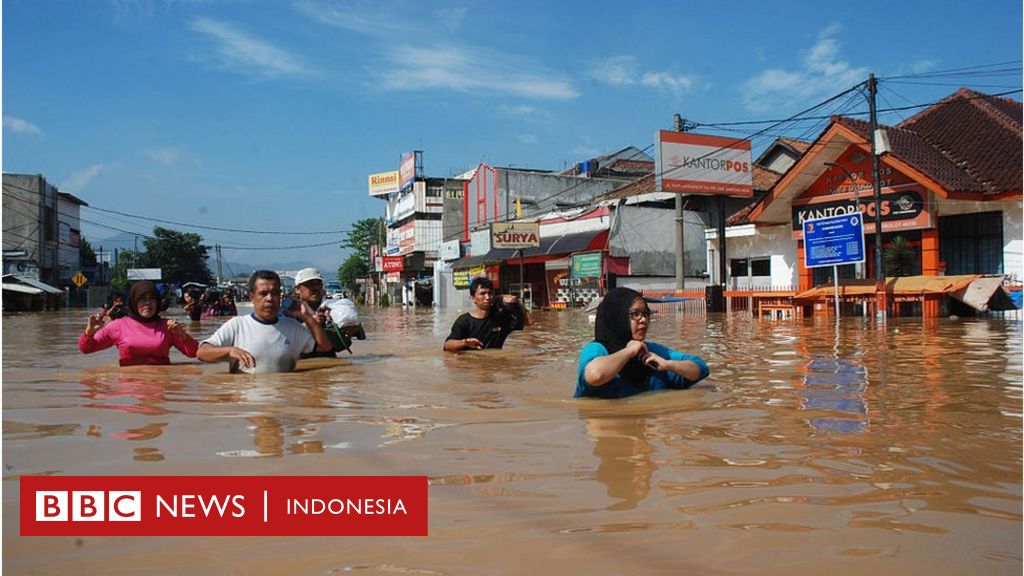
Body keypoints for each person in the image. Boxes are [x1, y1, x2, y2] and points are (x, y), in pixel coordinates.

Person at [575, 287, 709, 399]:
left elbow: (701, 368)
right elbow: (595, 375)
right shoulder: (597, 350)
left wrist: (669, 365)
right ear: (617, 317)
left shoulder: (650, 353)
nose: (643, 320)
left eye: (645, 314)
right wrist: (628, 352)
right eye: (635, 314)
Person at [197, 270, 332, 373]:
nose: (269, 298)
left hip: (285, 404)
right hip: (245, 406)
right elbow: (202, 352)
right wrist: (229, 351)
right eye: (263, 293)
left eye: (274, 293)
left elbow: (325, 347)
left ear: (280, 296)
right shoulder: (237, 325)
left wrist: (308, 318)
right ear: (252, 297)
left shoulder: (293, 328)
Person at [78, 280, 199, 366]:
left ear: (157, 302)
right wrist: (89, 332)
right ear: (133, 302)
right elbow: (86, 349)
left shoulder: (168, 326)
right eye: (142, 299)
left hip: (160, 388)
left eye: (152, 298)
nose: (148, 303)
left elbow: (194, 353)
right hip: (128, 391)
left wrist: (183, 334)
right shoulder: (118, 326)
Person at [289, 267, 365, 358]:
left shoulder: (334, 307)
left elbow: (360, 335)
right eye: (309, 284)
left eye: (318, 284)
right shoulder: (289, 311)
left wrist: (346, 327)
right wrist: (311, 323)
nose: (315, 288)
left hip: (329, 360)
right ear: (297, 289)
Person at [444, 277, 532, 352]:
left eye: (490, 293)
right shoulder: (465, 321)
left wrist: (516, 302)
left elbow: (529, 322)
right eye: (482, 293)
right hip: (471, 367)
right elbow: (447, 345)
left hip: (495, 367)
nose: (487, 297)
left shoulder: (500, 319)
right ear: (472, 298)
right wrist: (465, 342)